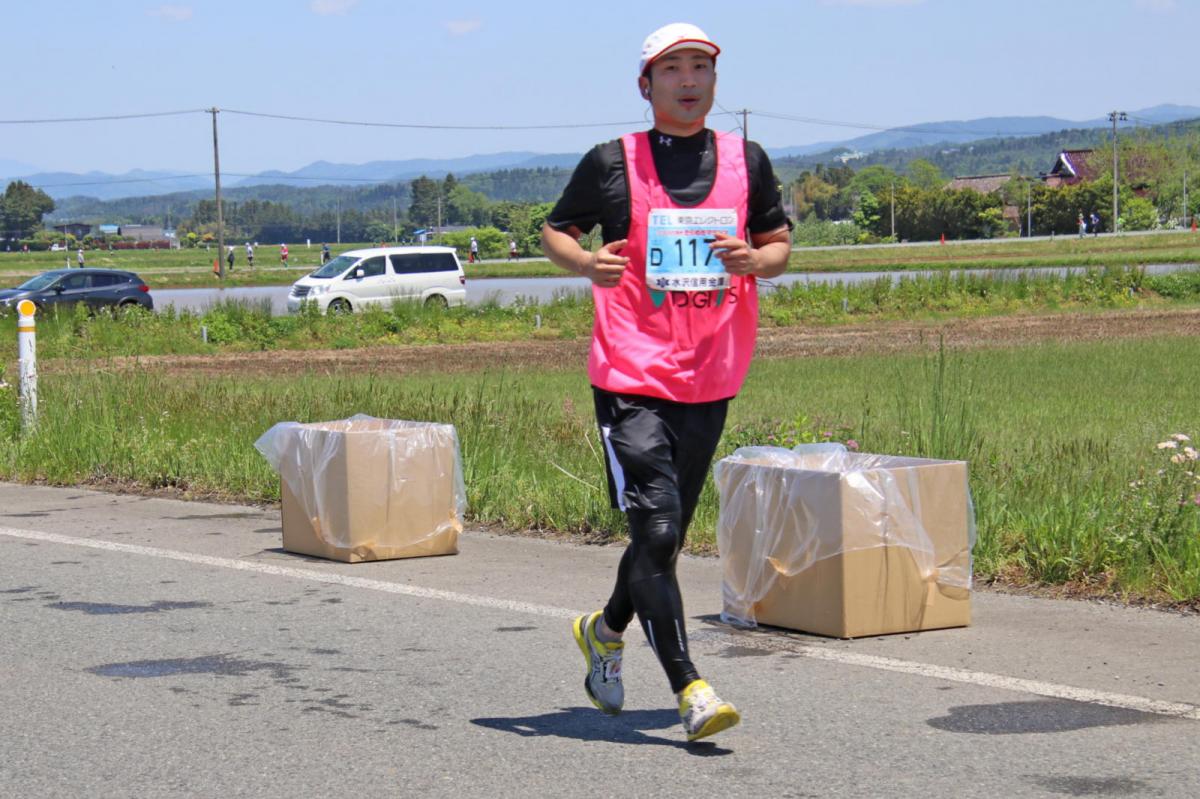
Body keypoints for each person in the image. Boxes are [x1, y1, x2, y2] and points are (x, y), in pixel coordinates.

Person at [541, 22, 791, 743]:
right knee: (653, 524)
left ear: (715, 81)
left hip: (712, 370)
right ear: (646, 85)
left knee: (665, 536)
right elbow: (556, 229)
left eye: (700, 68)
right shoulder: (613, 161)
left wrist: (756, 260)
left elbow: (778, 243)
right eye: (672, 69)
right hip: (631, 372)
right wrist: (586, 263)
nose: (688, 80)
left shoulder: (748, 161)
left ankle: (604, 627)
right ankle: (691, 685)